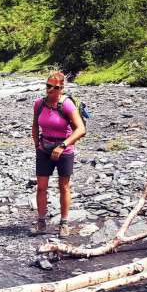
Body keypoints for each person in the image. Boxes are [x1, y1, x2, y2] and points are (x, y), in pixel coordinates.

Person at [31, 71, 86, 238]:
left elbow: (81, 129)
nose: (50, 90)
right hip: (44, 148)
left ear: (61, 89)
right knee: (41, 187)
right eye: (48, 86)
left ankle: (64, 223)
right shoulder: (39, 104)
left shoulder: (67, 105)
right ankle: (41, 222)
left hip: (65, 149)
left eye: (55, 87)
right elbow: (35, 126)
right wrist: (37, 145)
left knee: (64, 187)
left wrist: (62, 146)